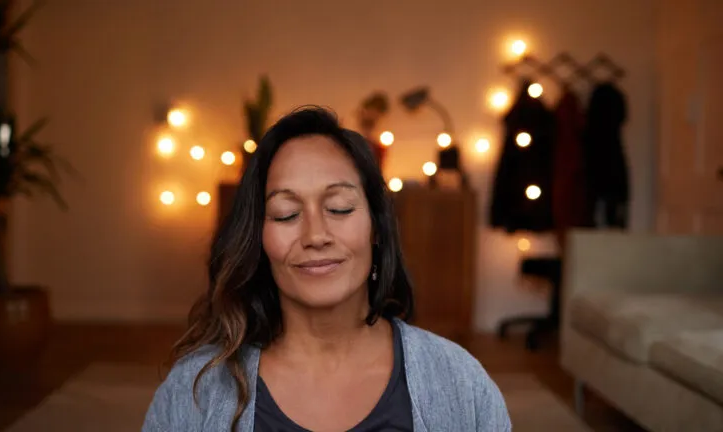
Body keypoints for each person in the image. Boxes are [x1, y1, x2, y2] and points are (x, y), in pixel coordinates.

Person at [142, 106, 511, 431]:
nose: (316, 235)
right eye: (286, 214)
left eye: (339, 208)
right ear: (257, 237)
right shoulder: (196, 389)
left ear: (377, 229)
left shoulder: (461, 383)